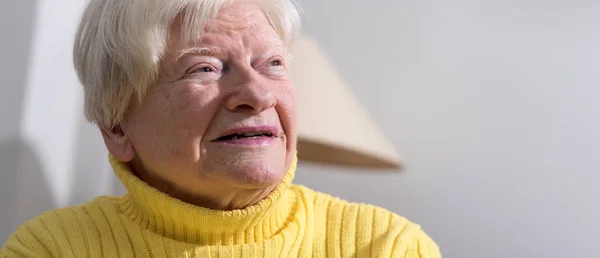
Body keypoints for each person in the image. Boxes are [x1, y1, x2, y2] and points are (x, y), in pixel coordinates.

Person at [1, 0, 441, 257]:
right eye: (206, 68)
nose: (257, 93)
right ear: (116, 126)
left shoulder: (384, 247)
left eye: (272, 64)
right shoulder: (52, 249)